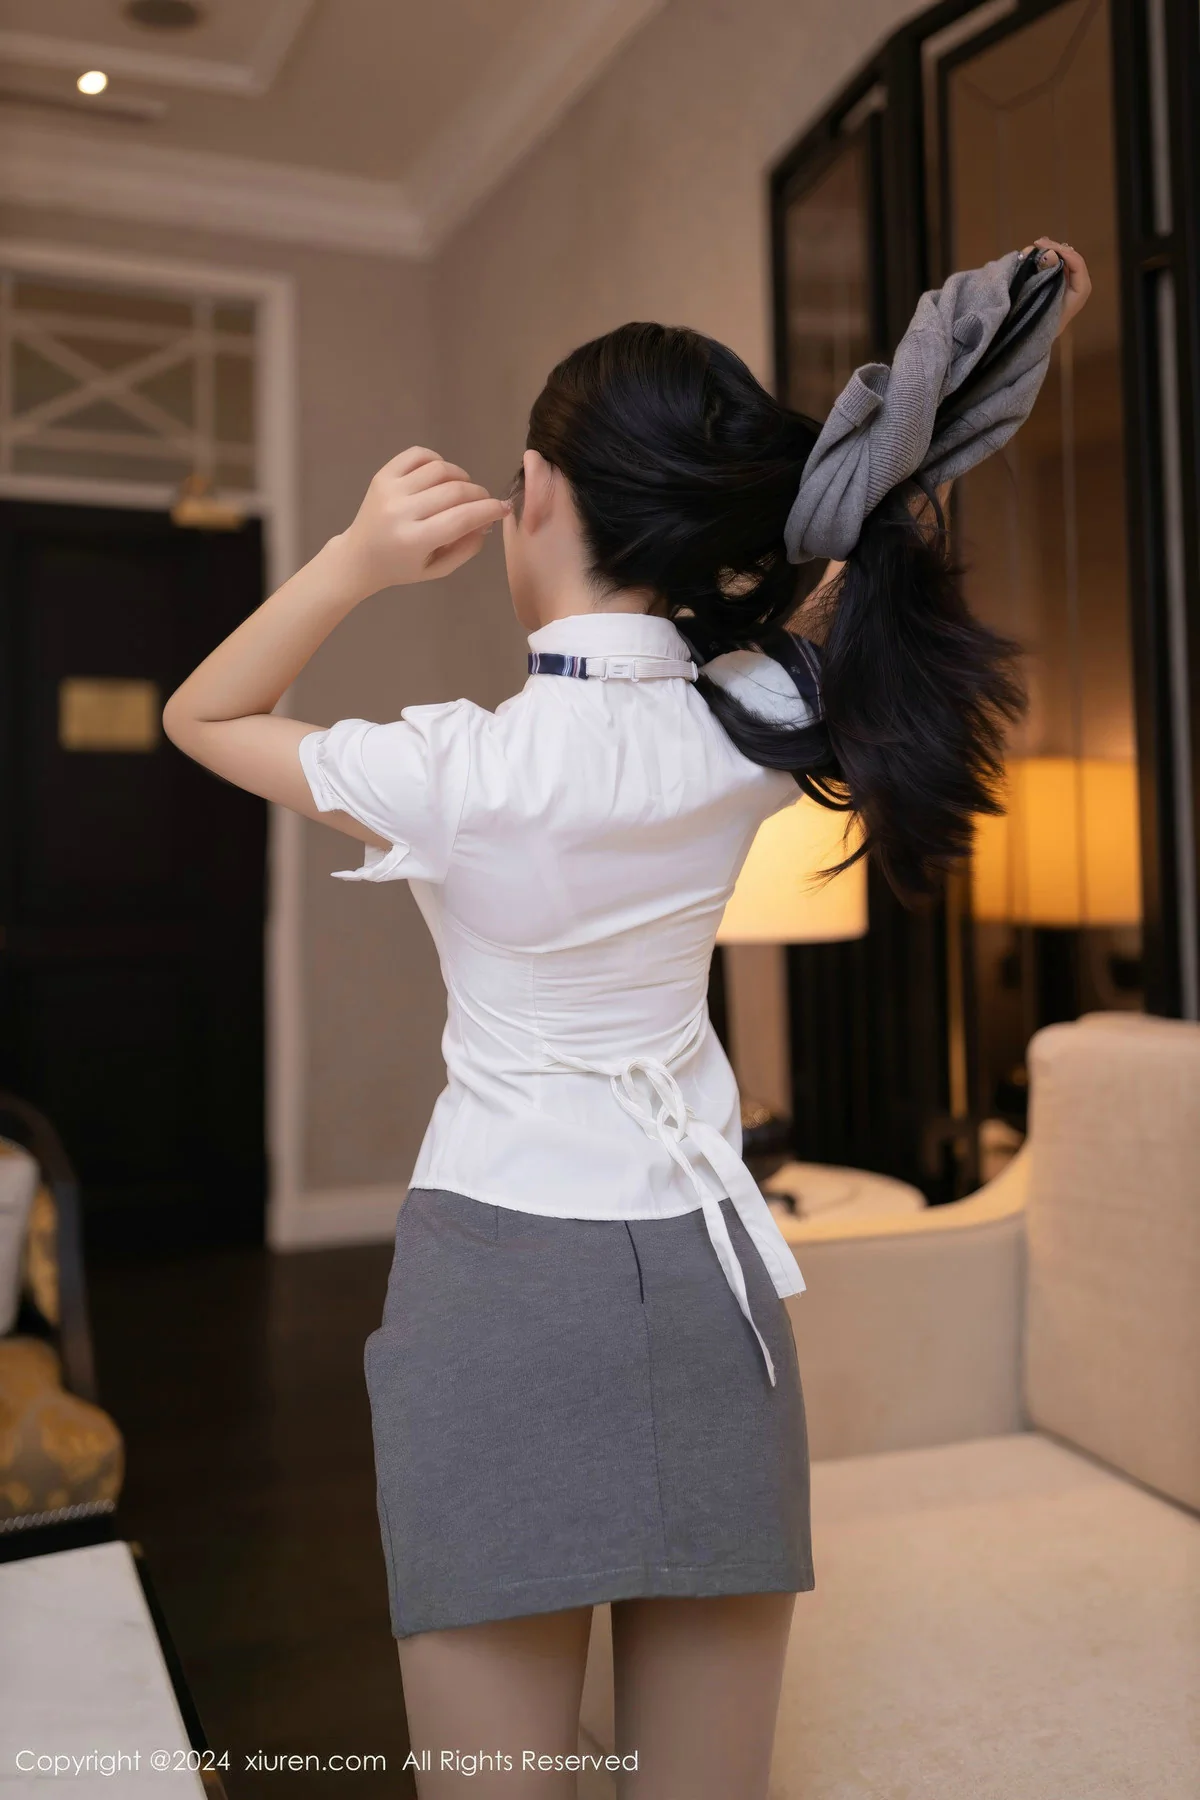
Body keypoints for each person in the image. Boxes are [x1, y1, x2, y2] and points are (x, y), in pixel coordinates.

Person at [164, 238, 1091, 1798]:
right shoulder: (756, 725)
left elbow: (205, 713)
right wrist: (994, 337)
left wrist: (354, 558)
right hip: (713, 1294)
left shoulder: (461, 768)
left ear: (535, 494)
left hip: (498, 1287)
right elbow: (871, 524)